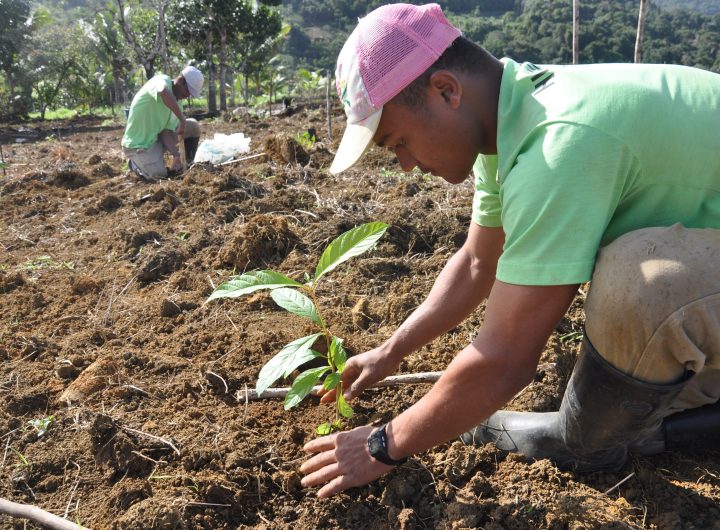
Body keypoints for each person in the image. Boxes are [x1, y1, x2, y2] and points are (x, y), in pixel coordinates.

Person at [299, 3, 720, 499]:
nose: (406, 165)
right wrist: (390, 353)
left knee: (643, 284)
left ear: (446, 90)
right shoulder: (514, 115)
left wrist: (382, 444)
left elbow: (505, 360)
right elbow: (479, 262)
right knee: (629, 357)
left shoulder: (557, 144)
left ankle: (586, 443)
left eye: (399, 142)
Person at [122, 65, 204, 180]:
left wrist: (177, 155)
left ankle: (185, 165)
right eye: (188, 91)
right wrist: (182, 119)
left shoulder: (178, 102)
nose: (188, 96)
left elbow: (165, 132)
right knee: (158, 175)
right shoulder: (161, 81)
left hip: (156, 137)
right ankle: (134, 164)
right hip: (139, 144)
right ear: (181, 81)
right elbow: (162, 91)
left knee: (193, 127)